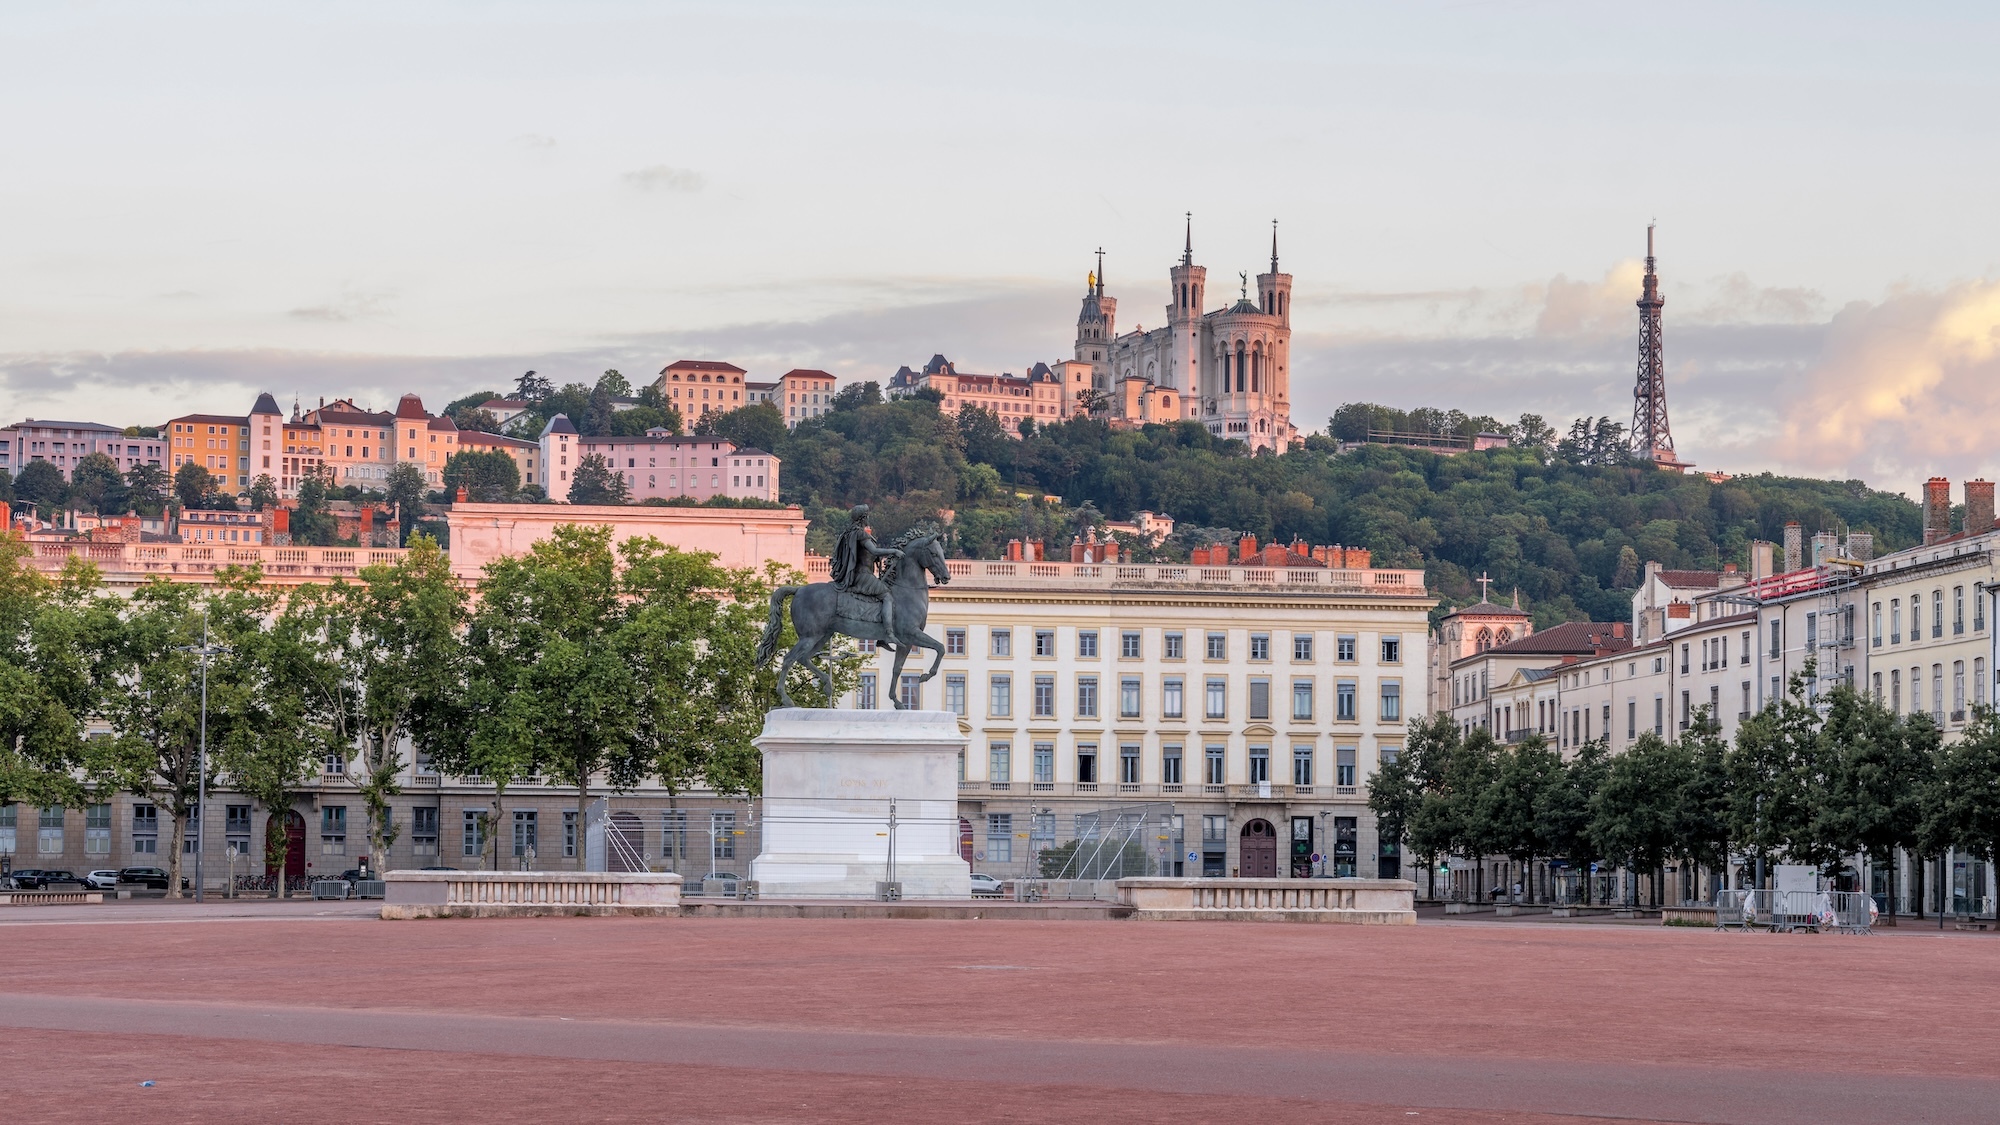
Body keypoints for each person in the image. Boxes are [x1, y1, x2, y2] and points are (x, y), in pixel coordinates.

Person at [828, 504, 903, 648]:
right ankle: (887, 634)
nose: (868, 517)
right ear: (863, 518)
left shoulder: (849, 532)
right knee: (887, 596)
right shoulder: (860, 534)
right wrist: (894, 551)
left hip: (857, 573)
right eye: (867, 515)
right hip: (863, 575)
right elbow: (874, 551)